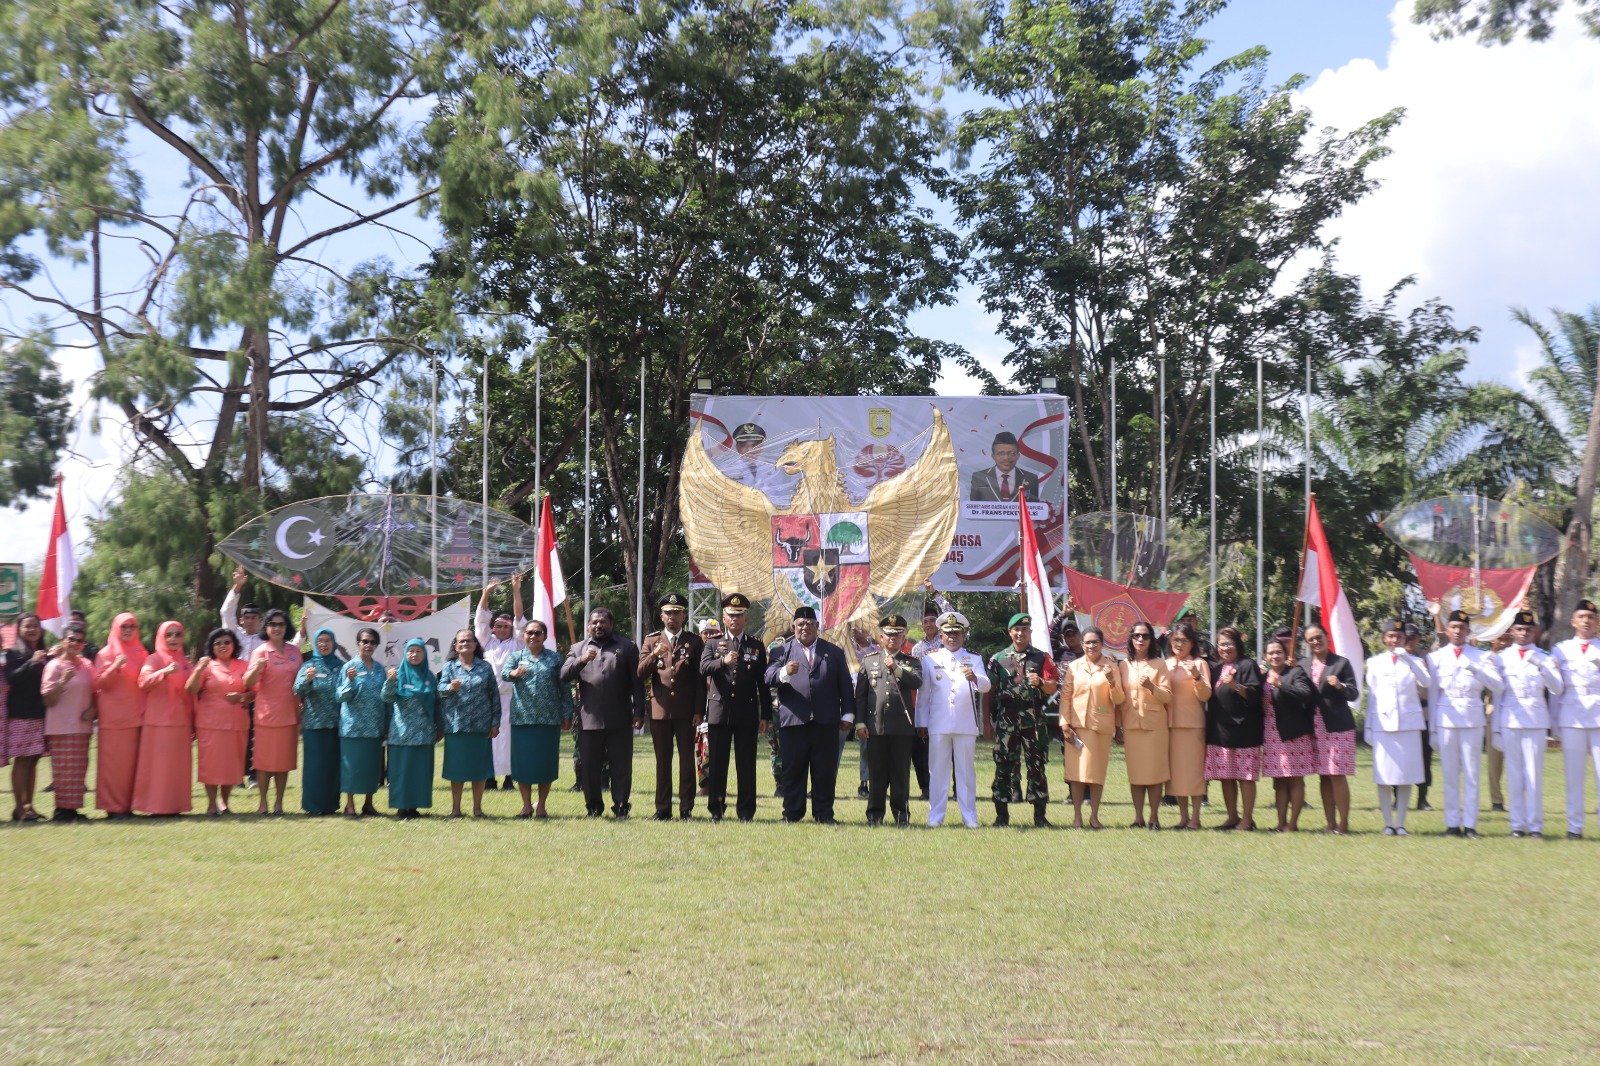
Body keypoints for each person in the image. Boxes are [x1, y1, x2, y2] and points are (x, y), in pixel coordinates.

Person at [765, 605, 854, 824]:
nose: (805, 628)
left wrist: (848, 715)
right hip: (794, 721)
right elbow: (768, 677)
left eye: (809, 624)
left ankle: (824, 814)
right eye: (800, 624)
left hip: (825, 721)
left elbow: (845, 686)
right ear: (793, 627)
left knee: (824, 772)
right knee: (793, 771)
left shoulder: (833, 652)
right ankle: (792, 814)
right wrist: (784, 672)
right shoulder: (781, 651)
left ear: (817, 626)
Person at [1427, 608, 1505, 837]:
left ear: (1469, 630)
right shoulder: (1436, 657)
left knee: (1472, 773)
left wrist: (1476, 669)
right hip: (1446, 717)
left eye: (1462, 627)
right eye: (1454, 627)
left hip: (1472, 716)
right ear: (1448, 629)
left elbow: (1498, 686)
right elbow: (1433, 696)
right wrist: (1432, 729)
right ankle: (1452, 823)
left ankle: (1470, 825)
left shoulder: (1481, 656)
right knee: (1450, 773)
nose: (1458, 631)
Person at [562, 607, 645, 818]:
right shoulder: (578, 648)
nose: (598, 626)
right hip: (589, 719)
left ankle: (621, 805)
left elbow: (637, 683)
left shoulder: (627, 647)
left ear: (611, 624)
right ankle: (593, 807)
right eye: (594, 623)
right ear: (589, 626)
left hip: (620, 717)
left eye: (603, 622)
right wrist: (581, 660)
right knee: (590, 767)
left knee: (621, 766)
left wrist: (639, 711)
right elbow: (563, 675)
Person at [916, 610, 991, 828]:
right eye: (948, 633)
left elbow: (986, 685)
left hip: (965, 723)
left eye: (957, 632)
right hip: (938, 723)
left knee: (965, 772)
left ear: (963, 635)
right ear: (941, 636)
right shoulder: (930, 659)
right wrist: (921, 722)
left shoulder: (974, 658)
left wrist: (975, 677)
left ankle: (970, 817)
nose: (953, 636)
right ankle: (935, 817)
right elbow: (924, 694)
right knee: (937, 771)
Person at [700, 593, 770, 822]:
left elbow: (763, 683)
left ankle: (746, 811)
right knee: (718, 764)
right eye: (731, 615)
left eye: (739, 616)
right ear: (724, 617)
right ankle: (716, 809)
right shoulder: (713, 642)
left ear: (746, 618)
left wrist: (766, 715)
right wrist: (723, 662)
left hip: (746, 713)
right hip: (720, 713)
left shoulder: (756, 645)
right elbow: (703, 668)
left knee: (746, 765)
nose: (735, 620)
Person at [984, 612, 1058, 827]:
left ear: (1030, 632)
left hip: (1033, 718)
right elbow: (988, 691)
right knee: (1003, 764)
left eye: (1025, 629)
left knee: (1036, 765)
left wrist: (1041, 682)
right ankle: (1001, 815)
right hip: (1007, 718)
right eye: (1017, 629)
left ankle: (1040, 815)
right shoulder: (997, 659)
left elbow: (1053, 685)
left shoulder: (1041, 657)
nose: (1020, 633)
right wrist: (987, 722)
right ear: (1010, 632)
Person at [638, 592, 706, 820]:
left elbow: (699, 680)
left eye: (677, 613)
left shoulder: (694, 641)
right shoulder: (651, 640)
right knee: (662, 762)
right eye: (668, 613)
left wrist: (699, 710)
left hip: (687, 713)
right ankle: (662, 808)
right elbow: (640, 672)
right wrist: (653, 655)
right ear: (661, 615)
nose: (672, 617)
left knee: (687, 761)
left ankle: (686, 808)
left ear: (684, 615)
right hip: (660, 711)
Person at [1493, 610, 1561, 837]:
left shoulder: (1544, 656)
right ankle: (1516, 825)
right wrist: (1495, 729)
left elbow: (1557, 688)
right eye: (1519, 629)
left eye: (1528, 630)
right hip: (1510, 719)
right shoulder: (1502, 658)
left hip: (1535, 720)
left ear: (1535, 632)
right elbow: (1498, 695)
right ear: (1512, 631)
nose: (1523, 633)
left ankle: (1535, 826)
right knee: (1514, 774)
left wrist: (1542, 667)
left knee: (1534, 775)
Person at [855, 614, 923, 826]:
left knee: (900, 773)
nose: (893, 638)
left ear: (904, 637)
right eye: (889, 635)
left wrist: (896, 668)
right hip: (876, 726)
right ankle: (874, 815)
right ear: (881, 637)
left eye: (898, 634)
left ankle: (901, 814)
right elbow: (861, 696)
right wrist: (860, 722)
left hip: (902, 726)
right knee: (877, 774)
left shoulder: (911, 661)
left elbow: (916, 682)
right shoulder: (869, 661)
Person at [501, 618, 573, 819]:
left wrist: (567, 713)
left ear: (544, 636)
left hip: (548, 720)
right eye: (529, 633)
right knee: (523, 765)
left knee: (544, 765)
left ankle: (541, 806)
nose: (533, 636)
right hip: (522, 719)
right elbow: (505, 674)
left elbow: (564, 688)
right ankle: (526, 806)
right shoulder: (516, 656)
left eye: (537, 633)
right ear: (523, 636)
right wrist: (514, 673)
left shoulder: (555, 659)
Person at [1365, 619, 1431, 836]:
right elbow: (1372, 698)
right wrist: (1368, 727)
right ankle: (1387, 823)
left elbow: (1427, 683)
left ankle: (1401, 823)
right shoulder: (1374, 663)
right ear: (1384, 638)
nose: (1395, 640)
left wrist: (1408, 659)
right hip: (1383, 724)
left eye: (1399, 636)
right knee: (1384, 776)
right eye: (1391, 636)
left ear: (1405, 639)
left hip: (1409, 725)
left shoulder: (1415, 662)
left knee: (1406, 776)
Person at [1058, 626, 1123, 829]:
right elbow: (1066, 696)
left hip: (1099, 727)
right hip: (1076, 727)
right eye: (1088, 642)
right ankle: (1077, 818)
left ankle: (1094, 817)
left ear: (1102, 644)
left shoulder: (1111, 666)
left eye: (1095, 642)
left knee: (1096, 775)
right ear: (1082, 644)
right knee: (1076, 774)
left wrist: (1112, 681)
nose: (1091, 646)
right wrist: (1064, 723)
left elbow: (1119, 698)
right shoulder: (1074, 667)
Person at [242, 608, 303, 815]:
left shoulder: (295, 652)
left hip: (290, 713)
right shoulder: (260, 652)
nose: (277, 628)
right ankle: (263, 803)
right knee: (264, 761)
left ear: (287, 628)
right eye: (273, 624)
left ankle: (279, 803)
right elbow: (247, 683)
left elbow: (300, 681)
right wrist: (257, 669)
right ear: (266, 627)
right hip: (267, 715)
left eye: (281, 624)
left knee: (283, 761)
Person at [1301, 624, 1360, 835]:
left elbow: (1354, 693)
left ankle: (1343, 824)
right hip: (1313, 727)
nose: (1316, 642)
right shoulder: (1303, 664)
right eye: (1311, 640)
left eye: (1319, 637)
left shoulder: (1341, 663)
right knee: (1323, 775)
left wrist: (1340, 686)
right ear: (1307, 643)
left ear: (1326, 637)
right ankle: (1330, 823)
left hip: (1337, 727)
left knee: (1337, 774)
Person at [1204, 627, 1263, 832]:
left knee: (1244, 776)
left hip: (1244, 730)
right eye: (1221, 644)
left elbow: (1255, 695)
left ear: (1237, 644)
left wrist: (1235, 686)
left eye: (1229, 643)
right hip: (1220, 730)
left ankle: (1247, 819)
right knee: (1226, 775)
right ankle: (1231, 817)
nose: (1225, 648)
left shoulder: (1248, 665)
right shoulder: (1217, 669)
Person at [133, 620, 194, 816]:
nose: (174, 638)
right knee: (159, 767)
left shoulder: (186, 662)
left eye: (178, 634)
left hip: (181, 722)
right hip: (158, 722)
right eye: (169, 634)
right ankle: (157, 807)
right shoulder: (153, 658)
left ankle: (175, 806)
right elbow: (143, 682)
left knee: (178, 767)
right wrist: (164, 672)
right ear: (161, 637)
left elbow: (192, 693)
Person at [186, 628, 250, 816]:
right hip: (210, 724)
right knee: (211, 765)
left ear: (234, 645)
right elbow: (190, 689)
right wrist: (197, 669)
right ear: (211, 647)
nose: (222, 646)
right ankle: (211, 804)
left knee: (231, 764)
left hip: (236, 722)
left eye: (226, 642)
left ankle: (225, 802)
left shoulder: (244, 665)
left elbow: (254, 692)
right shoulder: (207, 666)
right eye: (218, 643)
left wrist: (241, 697)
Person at [1551, 599, 1600, 840]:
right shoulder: (1561, 650)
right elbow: (1555, 690)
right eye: (1582, 617)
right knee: (1574, 775)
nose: (1586, 621)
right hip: (1571, 716)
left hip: (1599, 716)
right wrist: (1554, 722)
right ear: (1573, 621)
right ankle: (1574, 827)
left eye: (1591, 617)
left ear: (1597, 622)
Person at [438, 628, 500, 818]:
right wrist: (449, 687)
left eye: (469, 641)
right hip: (456, 725)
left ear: (475, 645)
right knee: (456, 769)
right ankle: (456, 809)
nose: (465, 644)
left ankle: (477, 809)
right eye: (461, 641)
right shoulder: (449, 667)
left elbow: (494, 695)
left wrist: (495, 722)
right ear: (455, 646)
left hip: (480, 725)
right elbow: (439, 690)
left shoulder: (485, 667)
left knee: (478, 769)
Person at [94, 613, 148, 819]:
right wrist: (115, 666)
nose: (128, 630)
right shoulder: (105, 654)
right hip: (114, 719)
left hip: (137, 716)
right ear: (116, 628)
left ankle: (128, 806)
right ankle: (113, 807)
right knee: (114, 765)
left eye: (132, 626)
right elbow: (99, 683)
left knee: (131, 767)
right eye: (124, 626)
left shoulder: (141, 652)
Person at [41, 621, 95, 821]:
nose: (75, 643)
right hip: (61, 726)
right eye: (71, 639)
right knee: (64, 768)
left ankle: (71, 810)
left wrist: (93, 709)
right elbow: (47, 700)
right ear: (62, 641)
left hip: (82, 726)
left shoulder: (87, 665)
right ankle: (61, 810)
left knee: (78, 769)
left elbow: (95, 692)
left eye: (80, 641)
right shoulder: (54, 666)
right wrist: (62, 681)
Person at [1118, 621, 1170, 829]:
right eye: (1137, 636)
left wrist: (1151, 686)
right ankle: (1138, 817)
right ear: (1131, 639)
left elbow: (1167, 697)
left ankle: (1154, 817)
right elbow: (1118, 699)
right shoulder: (1123, 665)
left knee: (1154, 773)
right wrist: (1117, 727)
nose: (1141, 640)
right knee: (1136, 774)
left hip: (1155, 726)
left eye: (1145, 636)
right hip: (1131, 725)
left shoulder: (1160, 664)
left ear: (1152, 640)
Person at [1260, 637, 1315, 832]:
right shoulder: (1263, 676)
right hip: (1271, 734)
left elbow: (1306, 694)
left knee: (1295, 778)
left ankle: (1293, 824)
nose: (1275, 656)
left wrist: (1282, 685)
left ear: (1285, 655)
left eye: (1279, 652)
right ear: (1265, 656)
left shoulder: (1295, 672)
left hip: (1293, 733)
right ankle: (1280, 823)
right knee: (1280, 780)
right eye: (1271, 653)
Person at [383, 638, 442, 819]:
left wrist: (440, 727)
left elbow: (437, 704)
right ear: (406, 654)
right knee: (401, 771)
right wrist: (391, 681)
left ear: (424, 654)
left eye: (418, 651)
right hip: (401, 732)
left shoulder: (430, 677)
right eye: (411, 651)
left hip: (424, 732)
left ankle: (415, 806)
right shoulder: (398, 675)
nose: (414, 654)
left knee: (419, 771)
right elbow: (386, 697)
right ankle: (401, 806)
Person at [475, 578, 525, 790]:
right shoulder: (486, 642)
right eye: (499, 626)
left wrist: (515, 590)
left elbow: (520, 618)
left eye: (507, 626)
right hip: (488, 699)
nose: (503, 629)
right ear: (493, 628)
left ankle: (509, 778)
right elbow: (480, 619)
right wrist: (486, 593)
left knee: (510, 739)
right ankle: (489, 777)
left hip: (512, 697)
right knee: (490, 737)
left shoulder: (517, 643)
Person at [1164, 622, 1212, 830]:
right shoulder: (1165, 664)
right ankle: (1183, 817)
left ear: (1192, 643)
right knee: (1176, 774)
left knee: (1193, 772)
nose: (1179, 644)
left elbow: (1206, 695)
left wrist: (1197, 676)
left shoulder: (1199, 664)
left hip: (1192, 724)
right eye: (1176, 640)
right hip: (1170, 724)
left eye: (1184, 640)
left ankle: (1196, 817)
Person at [337, 627, 388, 817]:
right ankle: (349, 805)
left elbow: (385, 697)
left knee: (371, 768)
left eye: (372, 642)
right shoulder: (349, 667)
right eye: (365, 641)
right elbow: (340, 696)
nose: (368, 645)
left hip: (374, 726)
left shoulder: (380, 669)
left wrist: (387, 724)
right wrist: (349, 681)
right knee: (352, 767)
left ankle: (368, 804)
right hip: (353, 727)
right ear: (358, 644)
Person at [294, 627, 345, 817]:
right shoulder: (309, 666)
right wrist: (307, 681)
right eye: (320, 641)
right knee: (314, 767)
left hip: (336, 724)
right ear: (315, 644)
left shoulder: (340, 666)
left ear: (334, 644)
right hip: (314, 724)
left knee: (332, 766)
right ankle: (313, 806)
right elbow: (297, 690)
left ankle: (331, 805)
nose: (324, 644)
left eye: (328, 641)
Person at [5, 613, 50, 821]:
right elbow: (12, 678)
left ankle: (28, 806)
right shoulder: (14, 653)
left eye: (36, 626)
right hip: (20, 715)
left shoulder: (43, 653)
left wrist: (50, 659)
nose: (32, 630)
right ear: (19, 630)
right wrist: (33, 662)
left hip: (40, 714)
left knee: (33, 761)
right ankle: (19, 808)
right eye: (28, 626)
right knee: (22, 761)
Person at [1405, 624, 1435, 811]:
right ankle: (1397, 797)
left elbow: (1443, 641)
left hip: (1423, 715)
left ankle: (1422, 798)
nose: (1410, 641)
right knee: (1403, 757)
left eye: (1413, 637)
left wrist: (1436, 616)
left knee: (1425, 757)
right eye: (1407, 637)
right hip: (1404, 716)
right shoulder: (1398, 658)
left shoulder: (1427, 658)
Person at [968, 431, 1040, 502]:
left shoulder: (1031, 479)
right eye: (1001, 453)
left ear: (1018, 456)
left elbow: (1035, 509)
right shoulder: (979, 477)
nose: (1006, 458)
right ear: (993, 456)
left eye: (1011, 453)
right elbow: (972, 509)